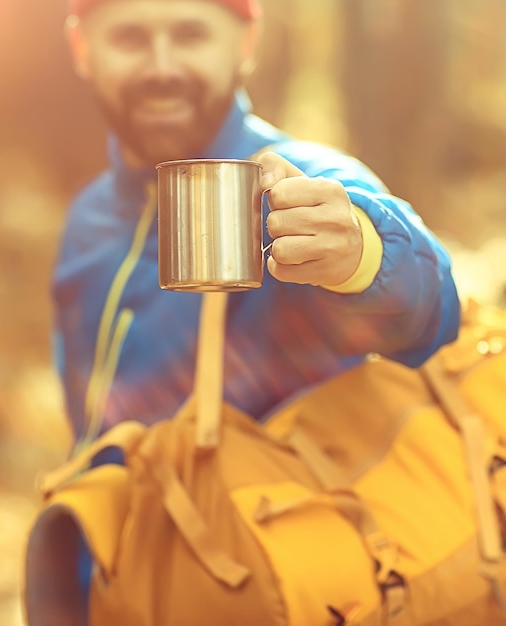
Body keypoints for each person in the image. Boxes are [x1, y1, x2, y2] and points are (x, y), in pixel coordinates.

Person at [46, 0, 461, 617]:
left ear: (246, 42)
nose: (162, 66)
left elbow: (431, 317)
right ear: (82, 50)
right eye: (131, 38)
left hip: (272, 586)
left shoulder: (306, 185)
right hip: (120, 580)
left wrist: (366, 253)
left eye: (190, 34)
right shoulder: (88, 219)